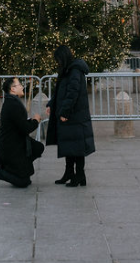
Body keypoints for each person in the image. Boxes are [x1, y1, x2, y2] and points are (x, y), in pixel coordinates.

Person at [45, 44, 95, 187]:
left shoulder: (74, 71)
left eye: (59, 60)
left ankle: (78, 174)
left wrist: (65, 112)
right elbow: (60, 90)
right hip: (69, 114)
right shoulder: (67, 70)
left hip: (74, 115)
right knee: (69, 145)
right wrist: (51, 104)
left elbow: (73, 93)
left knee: (77, 147)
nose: (58, 63)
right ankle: (70, 173)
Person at [0, 77, 44, 189]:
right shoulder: (13, 105)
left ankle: (22, 169)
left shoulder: (12, 102)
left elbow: (19, 124)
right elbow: (25, 128)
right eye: (19, 85)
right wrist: (35, 120)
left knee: (38, 147)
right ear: (12, 89)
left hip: (17, 142)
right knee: (23, 182)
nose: (22, 86)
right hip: (11, 147)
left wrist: (31, 121)